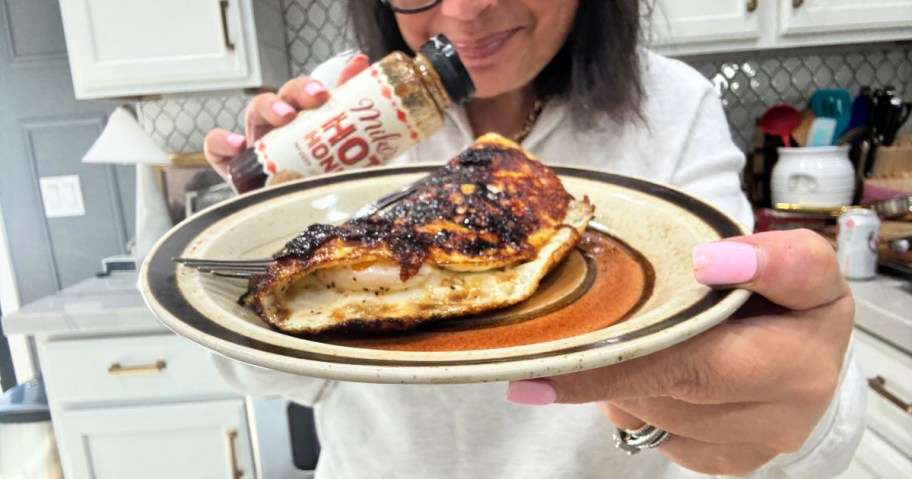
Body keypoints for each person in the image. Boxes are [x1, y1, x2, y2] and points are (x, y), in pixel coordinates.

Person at [203, 1, 865, 477]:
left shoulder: (670, 106)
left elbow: (760, 381)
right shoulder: (351, 109)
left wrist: (795, 416)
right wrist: (260, 225)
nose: (466, 11)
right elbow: (257, 372)